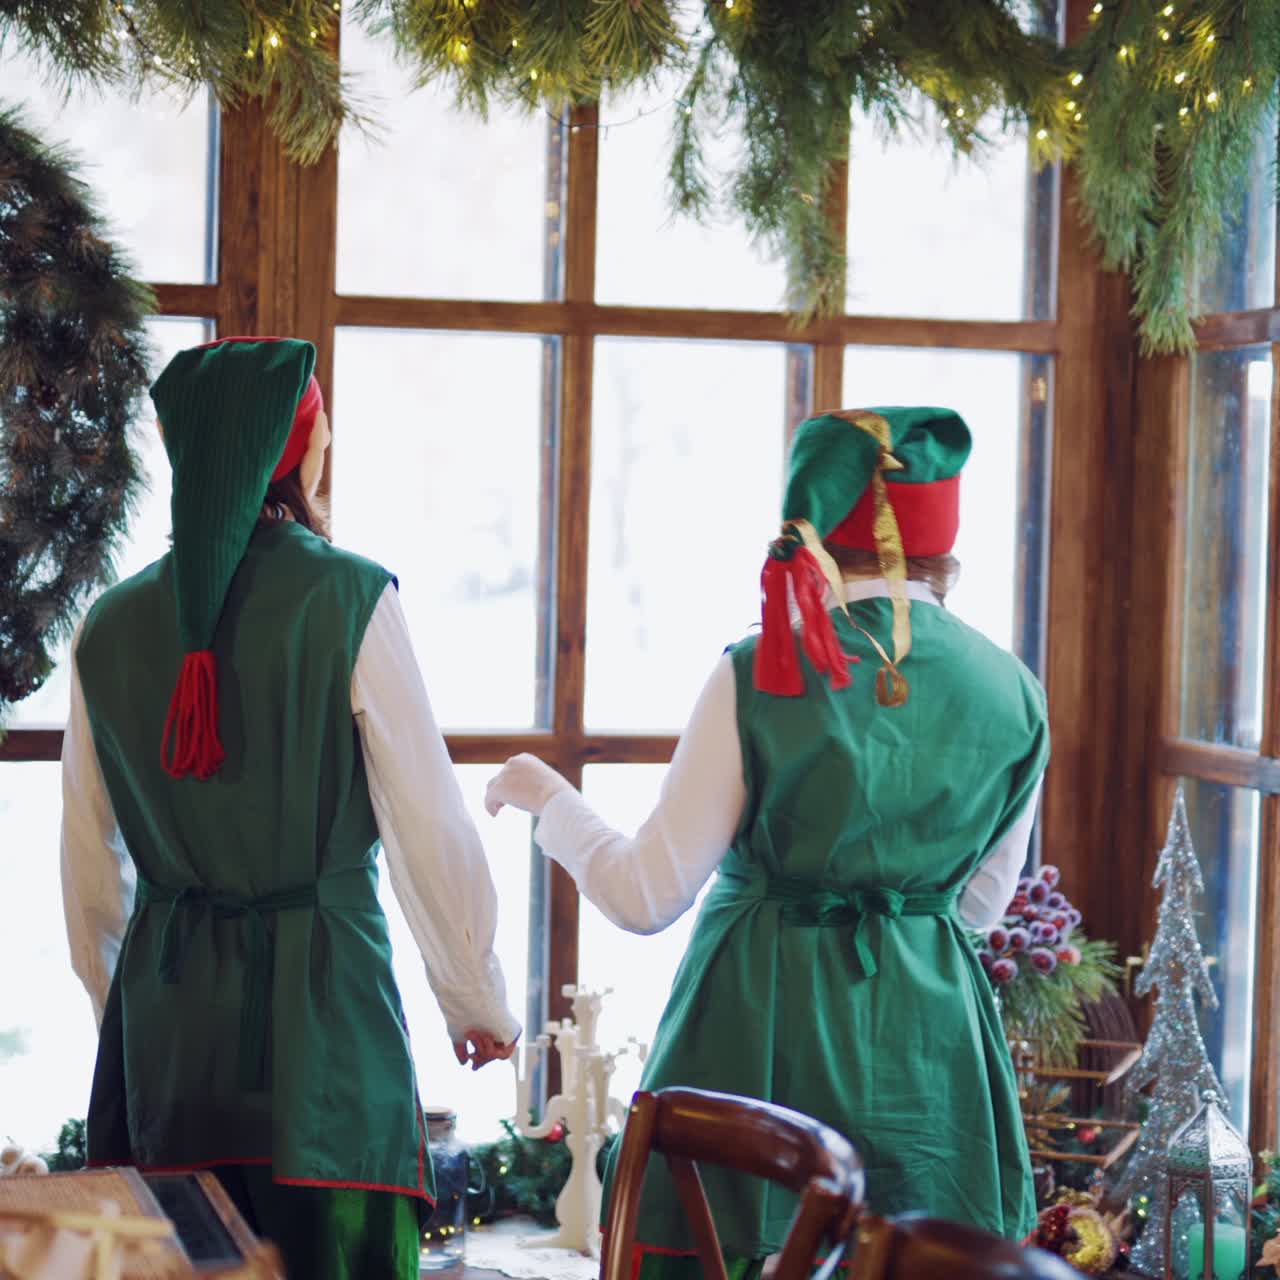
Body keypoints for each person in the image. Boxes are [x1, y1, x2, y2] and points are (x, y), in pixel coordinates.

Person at [486, 406, 1047, 1277]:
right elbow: (979, 908)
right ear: (943, 545)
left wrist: (546, 798)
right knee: (921, 1252)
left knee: (743, 1246)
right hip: (934, 1052)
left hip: (761, 1024)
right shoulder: (1014, 693)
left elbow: (646, 895)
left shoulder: (759, 671)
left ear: (814, 532)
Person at [60, 336, 520, 1280]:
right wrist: (473, 998)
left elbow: (86, 863)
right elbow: (426, 822)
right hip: (324, 1036)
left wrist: (133, 1009)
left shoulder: (107, 625)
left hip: (171, 1041)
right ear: (300, 455)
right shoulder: (347, 595)